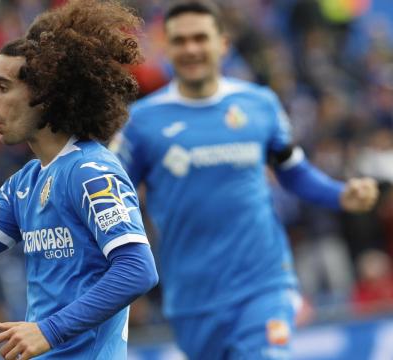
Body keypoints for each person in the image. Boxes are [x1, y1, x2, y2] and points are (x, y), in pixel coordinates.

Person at [112, 1, 380, 359]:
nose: (191, 49)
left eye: (200, 38)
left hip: (263, 283)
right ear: (166, 47)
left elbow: (293, 171)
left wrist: (340, 195)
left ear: (223, 43)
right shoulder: (142, 122)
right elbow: (115, 200)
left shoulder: (260, 105)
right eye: (180, 40)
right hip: (192, 295)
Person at [0, 1, 158, 359]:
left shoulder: (91, 171)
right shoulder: (25, 182)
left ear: (46, 94)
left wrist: (49, 329)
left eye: (3, 87)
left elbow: (138, 270)